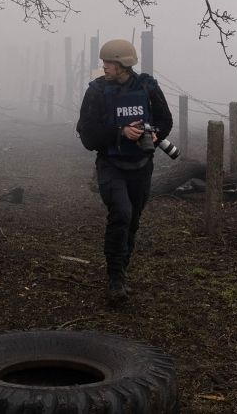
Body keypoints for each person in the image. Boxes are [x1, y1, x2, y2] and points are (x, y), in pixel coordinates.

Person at [76, 38, 173, 304]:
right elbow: (87, 135)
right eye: (104, 62)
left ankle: (122, 269)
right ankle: (115, 278)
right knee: (121, 213)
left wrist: (155, 135)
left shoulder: (147, 87)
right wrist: (119, 132)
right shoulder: (96, 91)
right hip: (111, 165)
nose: (104, 67)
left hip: (141, 166)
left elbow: (165, 120)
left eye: (109, 62)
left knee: (133, 220)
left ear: (123, 64)